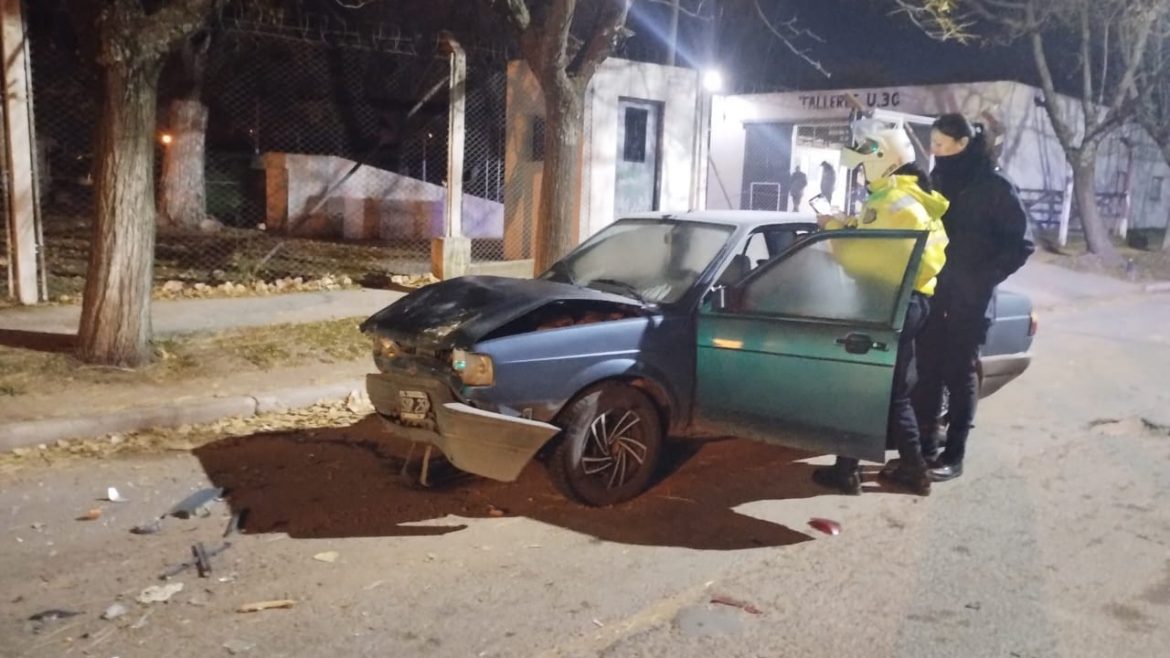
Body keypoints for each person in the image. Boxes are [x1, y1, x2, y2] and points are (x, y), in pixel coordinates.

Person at [811, 118, 950, 496]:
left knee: (862, 388)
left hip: (886, 303)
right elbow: (880, 242)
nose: (860, 173)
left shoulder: (889, 202)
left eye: (862, 165)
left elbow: (861, 258)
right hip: (910, 302)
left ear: (882, 161)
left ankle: (860, 471)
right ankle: (907, 470)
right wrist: (847, 225)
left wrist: (830, 231)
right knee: (887, 392)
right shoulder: (910, 197)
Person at [911, 114, 1035, 482]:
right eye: (933, 144)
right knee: (928, 372)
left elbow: (1021, 244)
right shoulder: (938, 179)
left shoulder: (994, 185)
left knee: (959, 373)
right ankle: (924, 449)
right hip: (935, 292)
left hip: (971, 300)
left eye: (940, 144)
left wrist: (982, 279)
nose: (934, 150)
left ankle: (954, 455)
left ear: (962, 144)